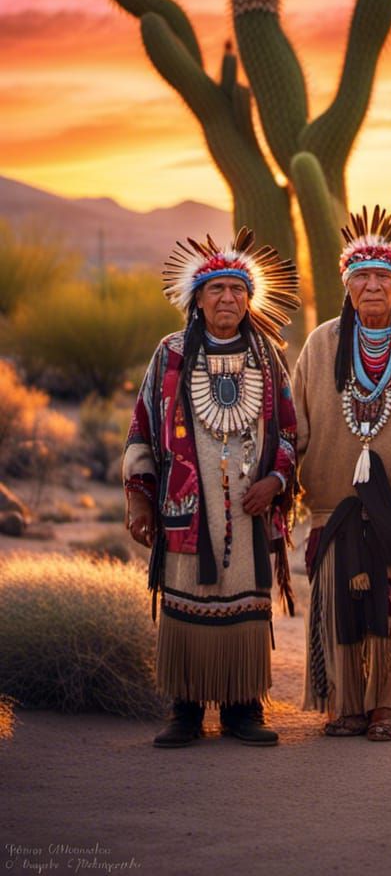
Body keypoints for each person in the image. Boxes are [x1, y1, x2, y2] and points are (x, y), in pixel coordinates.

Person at [123, 228, 301, 748]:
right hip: (185, 506)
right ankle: (186, 709)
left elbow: (289, 431)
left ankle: (243, 708)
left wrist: (275, 480)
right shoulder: (171, 354)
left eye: (237, 290)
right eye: (216, 289)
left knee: (245, 602)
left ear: (250, 299)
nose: (227, 298)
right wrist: (140, 498)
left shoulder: (266, 356)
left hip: (249, 508)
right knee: (187, 600)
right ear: (197, 299)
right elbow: (142, 425)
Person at [295, 207, 391, 742]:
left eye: (384, 276)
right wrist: (286, 482)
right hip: (335, 502)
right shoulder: (321, 344)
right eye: (362, 276)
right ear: (347, 285)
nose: (373, 285)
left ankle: (389, 704)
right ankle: (347, 703)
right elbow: (297, 421)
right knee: (340, 604)